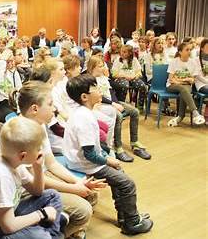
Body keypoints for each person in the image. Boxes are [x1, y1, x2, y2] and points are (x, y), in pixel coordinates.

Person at [10, 81, 106, 239]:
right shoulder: (21, 134)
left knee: (90, 193)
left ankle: (70, 231)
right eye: (50, 104)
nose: (54, 108)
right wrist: (75, 188)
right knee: (84, 210)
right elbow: (33, 182)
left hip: (41, 179)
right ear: (35, 109)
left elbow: (51, 163)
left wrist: (78, 182)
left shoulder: (38, 125)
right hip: (25, 193)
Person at [64, 74, 153, 235]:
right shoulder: (83, 118)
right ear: (84, 97)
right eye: (95, 88)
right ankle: (132, 222)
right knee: (127, 183)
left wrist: (106, 153)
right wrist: (109, 160)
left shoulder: (84, 112)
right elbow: (90, 154)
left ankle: (125, 217)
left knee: (120, 177)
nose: (100, 91)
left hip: (84, 160)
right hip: (86, 164)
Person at [0, 116, 65, 239]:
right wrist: (41, 214)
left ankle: (52, 235)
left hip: (6, 217)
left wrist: (38, 169)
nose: (41, 152)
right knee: (40, 236)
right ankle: (46, 234)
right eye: (38, 149)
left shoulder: (12, 160)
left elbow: (37, 192)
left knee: (53, 196)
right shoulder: (0, 176)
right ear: (23, 156)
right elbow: (8, 226)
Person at [88, 56, 152, 161]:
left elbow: (111, 92)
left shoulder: (104, 77)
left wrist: (116, 103)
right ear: (92, 68)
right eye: (100, 66)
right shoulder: (90, 79)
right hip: (101, 104)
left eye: (103, 65)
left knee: (134, 112)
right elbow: (99, 97)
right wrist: (113, 104)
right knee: (118, 115)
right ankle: (118, 147)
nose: (103, 67)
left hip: (112, 102)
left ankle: (134, 142)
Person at [167, 42, 206, 126]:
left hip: (186, 86)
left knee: (184, 92)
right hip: (172, 86)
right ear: (180, 52)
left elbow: (192, 80)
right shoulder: (174, 62)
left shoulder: (193, 62)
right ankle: (196, 113)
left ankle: (180, 117)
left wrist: (183, 80)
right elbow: (171, 79)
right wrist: (185, 80)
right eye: (187, 50)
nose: (189, 52)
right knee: (183, 89)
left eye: (190, 50)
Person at [111, 45, 147, 110]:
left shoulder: (134, 60)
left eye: (124, 52)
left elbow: (139, 72)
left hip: (133, 78)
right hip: (121, 78)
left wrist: (134, 76)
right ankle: (122, 105)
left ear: (130, 53)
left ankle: (140, 105)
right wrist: (124, 76)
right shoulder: (117, 60)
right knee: (124, 85)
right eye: (121, 51)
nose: (122, 53)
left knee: (143, 86)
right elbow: (114, 74)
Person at [195, 38, 208, 123]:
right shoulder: (196, 60)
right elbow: (198, 76)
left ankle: (206, 114)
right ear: (202, 48)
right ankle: (207, 116)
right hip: (201, 84)